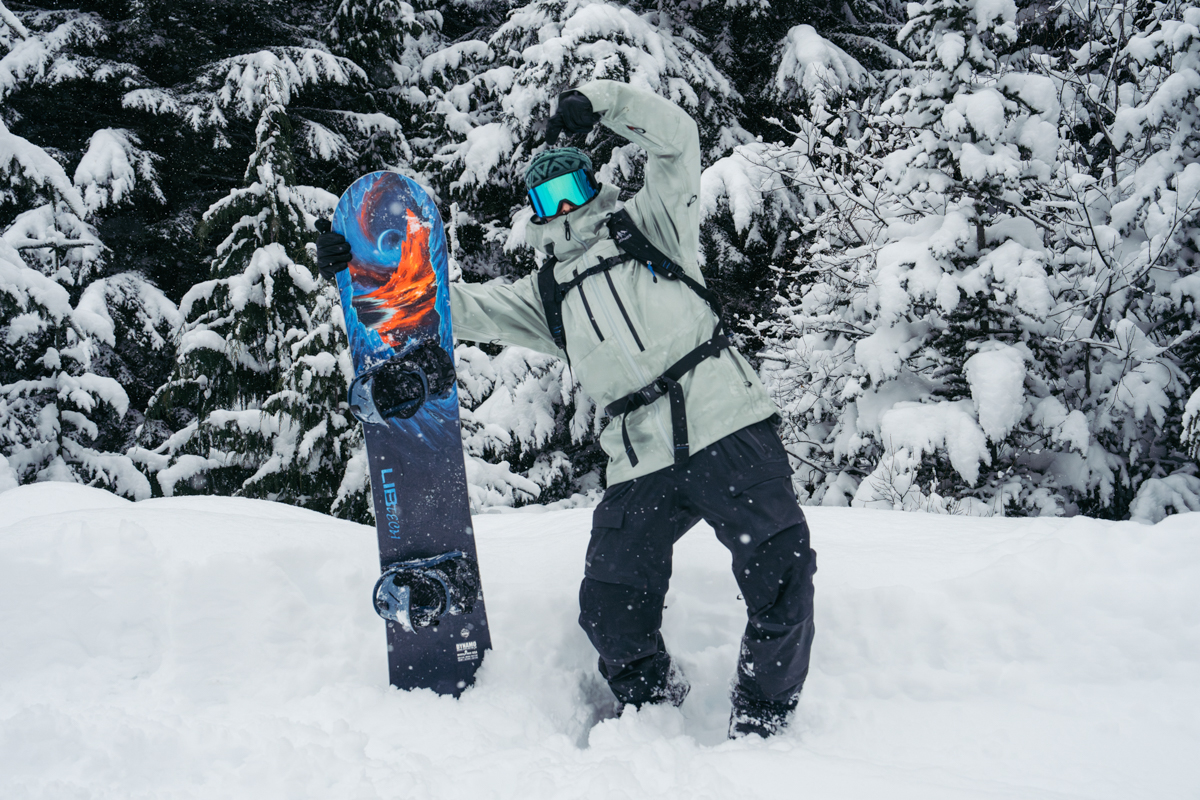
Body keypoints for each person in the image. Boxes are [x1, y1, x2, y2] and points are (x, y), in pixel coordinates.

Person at [316, 80, 817, 738]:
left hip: (727, 422)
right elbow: (454, 309)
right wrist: (361, 272)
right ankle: (651, 707)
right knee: (610, 606)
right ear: (535, 212)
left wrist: (600, 102)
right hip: (643, 457)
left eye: (571, 190)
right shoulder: (546, 293)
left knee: (780, 570)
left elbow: (677, 140)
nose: (563, 206)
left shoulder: (653, 226)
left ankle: (762, 718)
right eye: (547, 199)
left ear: (592, 186)